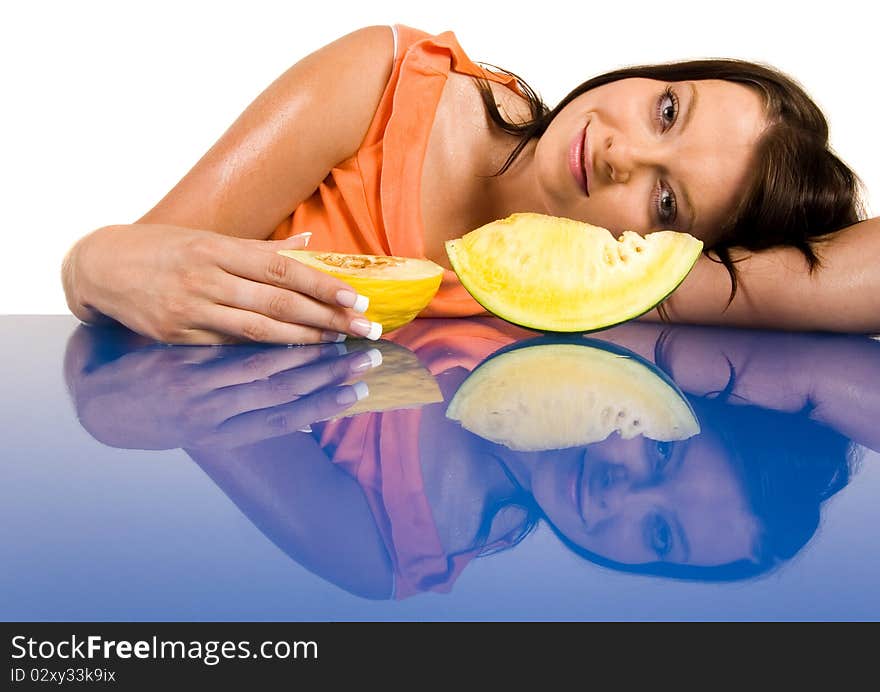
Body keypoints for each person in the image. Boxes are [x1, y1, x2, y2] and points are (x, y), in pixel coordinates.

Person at [61, 25, 877, 344]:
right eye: (668, 109)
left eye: (667, 201)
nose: (623, 151)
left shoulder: (625, 294)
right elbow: (130, 265)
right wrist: (87, 262)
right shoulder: (382, 82)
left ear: (672, 248)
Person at [64, 317, 878, 597]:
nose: (614, 495)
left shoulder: (385, 549)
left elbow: (125, 380)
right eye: (661, 455)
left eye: (658, 536)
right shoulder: (560, 297)